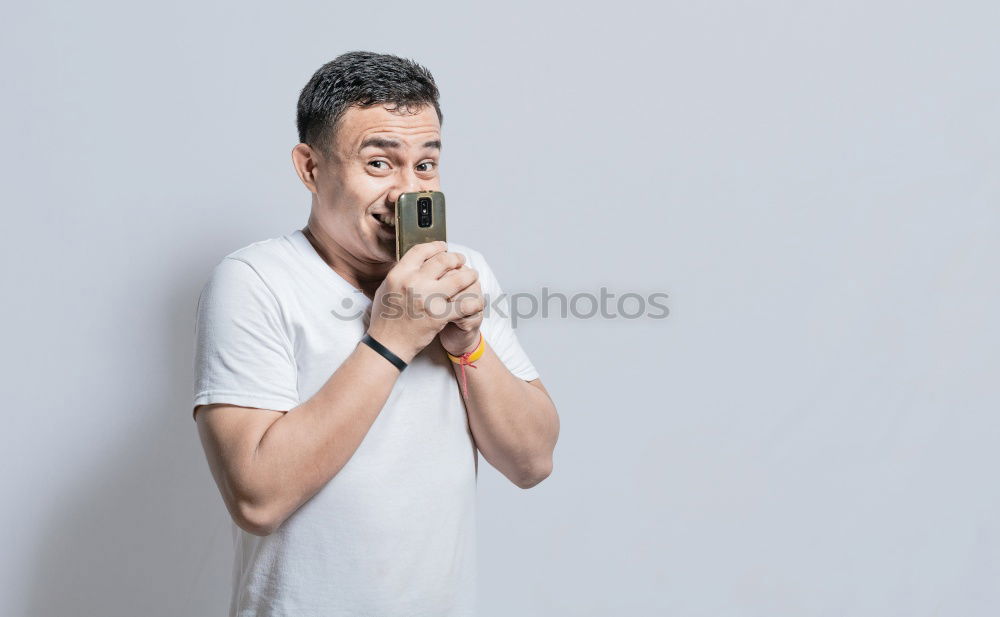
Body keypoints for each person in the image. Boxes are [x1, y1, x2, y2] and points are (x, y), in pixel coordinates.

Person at [191, 51, 560, 617]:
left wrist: (468, 347)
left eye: (426, 165)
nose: (406, 193)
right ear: (310, 169)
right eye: (380, 165)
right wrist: (391, 339)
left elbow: (532, 462)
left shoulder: (464, 272)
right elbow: (256, 498)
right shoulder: (255, 281)